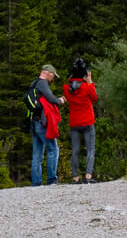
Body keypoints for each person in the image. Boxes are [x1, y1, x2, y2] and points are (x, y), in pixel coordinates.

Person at [64, 56, 98, 184]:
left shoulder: (66, 88)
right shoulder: (87, 87)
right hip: (87, 122)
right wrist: (90, 81)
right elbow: (94, 98)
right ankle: (88, 176)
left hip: (74, 123)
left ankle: (75, 178)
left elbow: (68, 96)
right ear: (84, 73)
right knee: (90, 149)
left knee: (75, 150)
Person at [30, 63, 64, 186]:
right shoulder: (42, 83)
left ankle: (36, 182)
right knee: (53, 149)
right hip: (42, 123)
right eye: (53, 76)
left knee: (37, 154)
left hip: (34, 122)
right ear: (48, 73)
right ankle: (51, 180)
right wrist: (60, 100)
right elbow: (51, 99)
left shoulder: (33, 83)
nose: (53, 79)